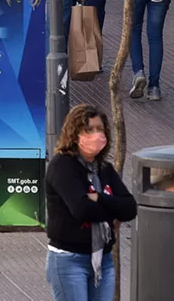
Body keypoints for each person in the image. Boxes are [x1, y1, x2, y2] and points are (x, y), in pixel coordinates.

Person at [43, 104, 136, 301]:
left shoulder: (105, 169)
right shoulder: (62, 166)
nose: (96, 135)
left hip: (103, 259)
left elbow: (130, 208)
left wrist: (100, 198)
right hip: (69, 259)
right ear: (75, 134)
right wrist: (113, 209)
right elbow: (81, 209)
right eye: (89, 130)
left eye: (99, 129)